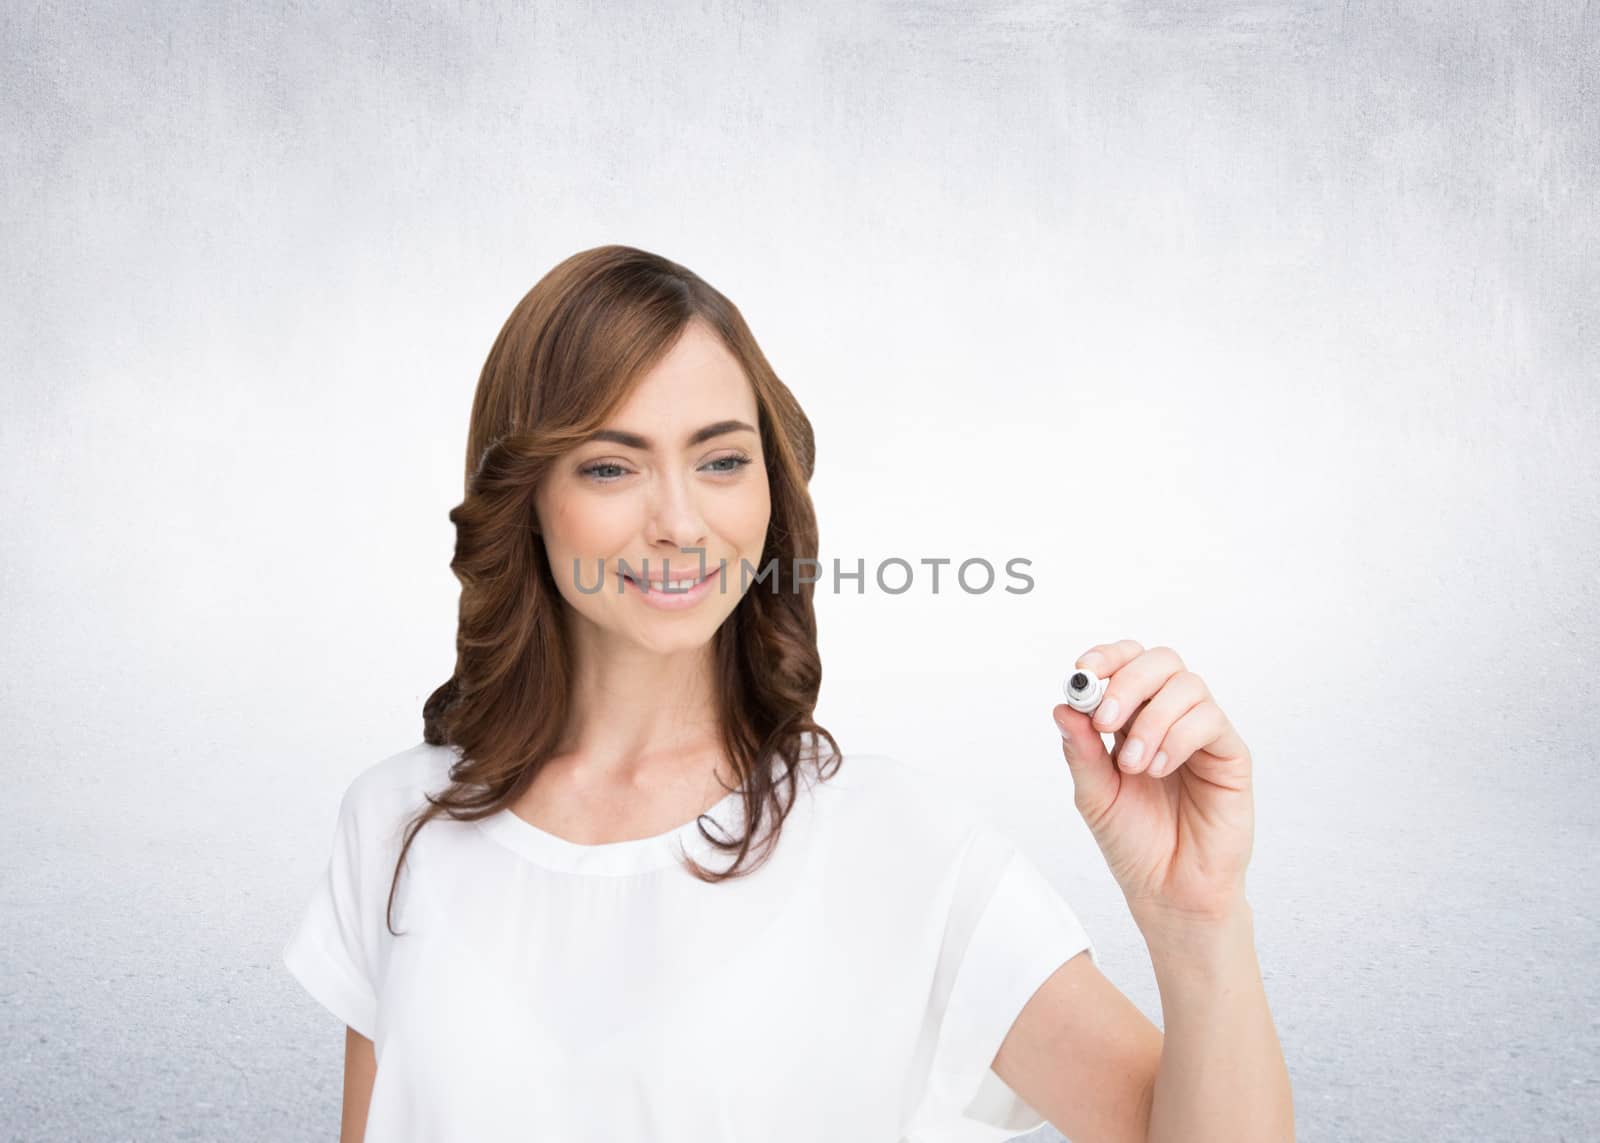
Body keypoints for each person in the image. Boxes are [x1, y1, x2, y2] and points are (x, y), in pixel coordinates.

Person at [282, 245, 1294, 1142]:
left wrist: (1195, 920)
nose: (679, 519)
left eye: (721, 459)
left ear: (771, 488)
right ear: (527, 499)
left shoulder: (898, 845)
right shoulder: (395, 825)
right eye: (608, 466)